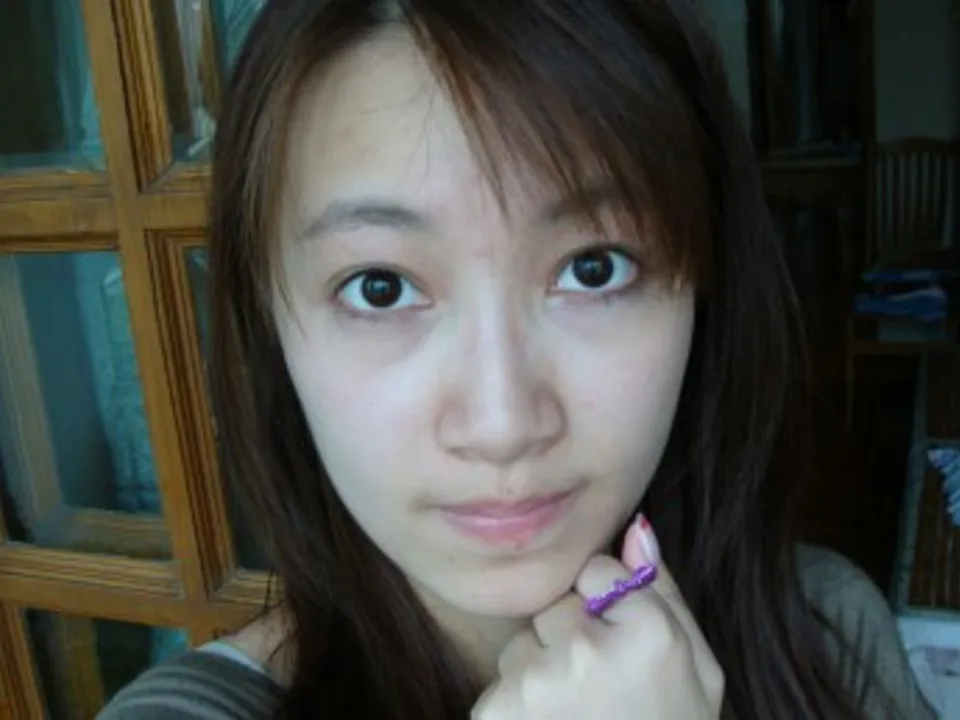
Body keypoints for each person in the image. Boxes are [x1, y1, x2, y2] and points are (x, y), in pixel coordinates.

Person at [99, 1, 937, 718]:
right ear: (271, 324)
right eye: (381, 288)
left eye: (594, 268)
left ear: (704, 289)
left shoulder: (827, 633)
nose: (502, 425)